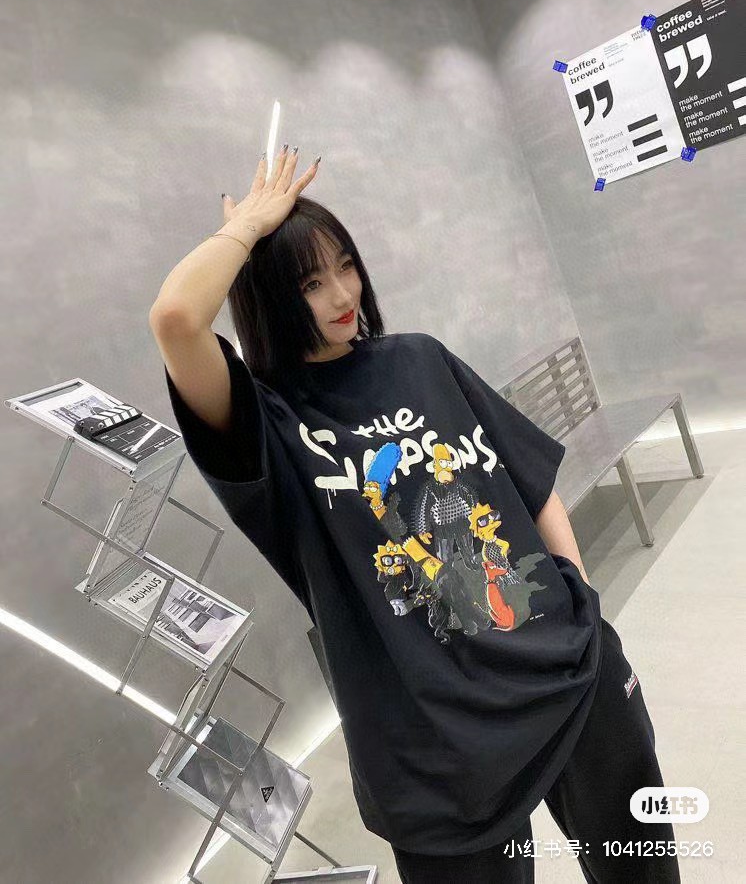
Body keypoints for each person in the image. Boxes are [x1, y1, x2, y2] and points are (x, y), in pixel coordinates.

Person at [149, 144, 681, 883]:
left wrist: (581, 604)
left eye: (345, 265)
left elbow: (529, 485)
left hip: (566, 669)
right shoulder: (265, 424)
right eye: (310, 282)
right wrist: (248, 228)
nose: (342, 293)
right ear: (269, 296)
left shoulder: (421, 359)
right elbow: (176, 318)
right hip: (434, 744)